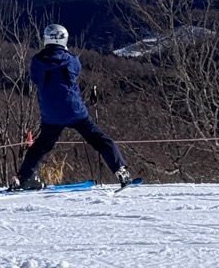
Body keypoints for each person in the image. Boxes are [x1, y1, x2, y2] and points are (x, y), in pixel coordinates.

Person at [11, 23, 133, 190]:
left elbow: (34, 79)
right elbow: (75, 72)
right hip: (74, 110)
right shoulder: (71, 60)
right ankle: (121, 170)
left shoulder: (37, 61)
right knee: (99, 139)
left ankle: (26, 177)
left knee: (41, 146)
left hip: (50, 112)